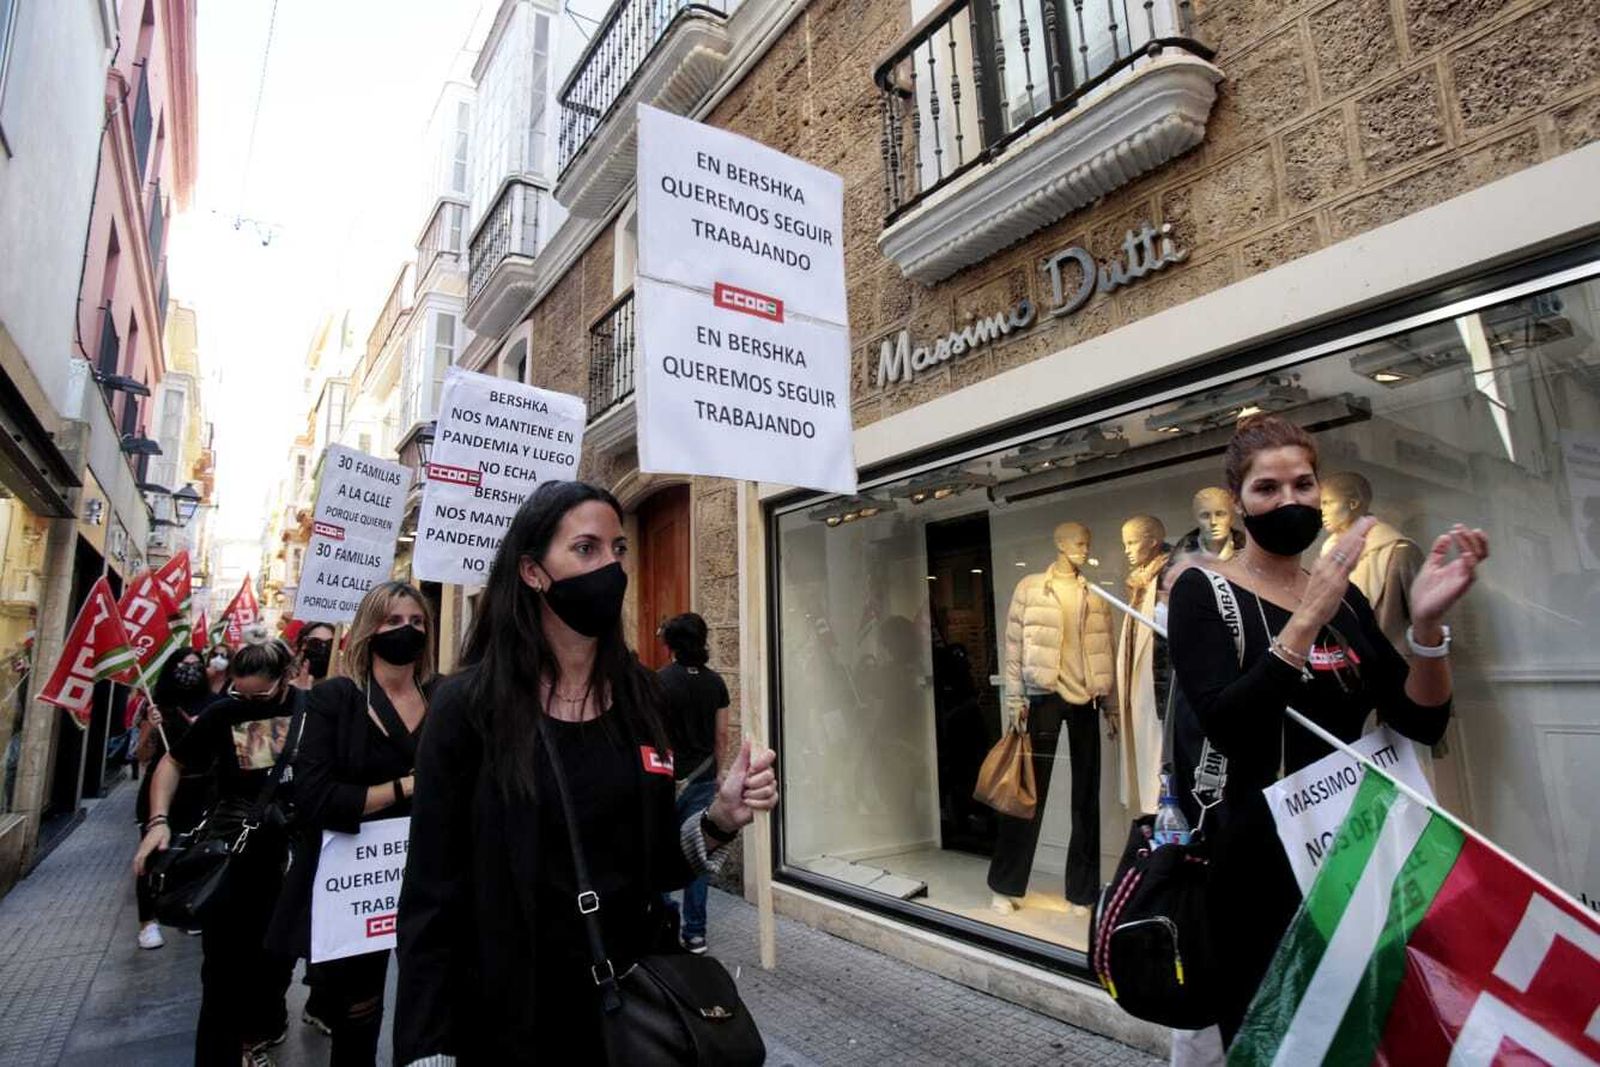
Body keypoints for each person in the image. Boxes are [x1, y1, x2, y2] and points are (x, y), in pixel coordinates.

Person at [395, 481, 778, 1064]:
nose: (611, 566)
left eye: (618, 548)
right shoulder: (467, 708)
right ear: (532, 572)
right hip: (508, 1021)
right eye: (586, 548)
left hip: (624, 1018)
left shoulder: (643, 700)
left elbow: (652, 866)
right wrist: (428, 1049)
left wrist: (720, 819)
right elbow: (431, 896)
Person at [1166, 414, 1487, 1045]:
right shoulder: (1204, 592)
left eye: (1303, 485)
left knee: (1362, 1036)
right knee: (1279, 1041)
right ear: (1238, 503)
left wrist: (1425, 631)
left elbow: (1420, 719)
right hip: (1256, 871)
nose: (1290, 501)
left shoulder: (1344, 597)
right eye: (1267, 489)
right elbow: (1231, 724)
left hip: (1352, 857)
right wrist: (1305, 618)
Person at [269, 583, 437, 1065]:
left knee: (429, 1010)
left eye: (417, 622)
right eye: (393, 621)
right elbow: (316, 798)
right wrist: (408, 787)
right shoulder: (336, 700)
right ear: (369, 630)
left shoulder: (442, 695)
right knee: (358, 1019)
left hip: (425, 879)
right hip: (358, 886)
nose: (407, 631)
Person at [134, 626, 306, 1067]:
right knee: (223, 973)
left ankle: (258, 1034)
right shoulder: (221, 713)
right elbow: (172, 764)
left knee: (277, 961)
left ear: (285, 679)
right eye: (239, 696)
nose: (246, 706)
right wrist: (158, 821)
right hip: (235, 855)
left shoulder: (313, 712)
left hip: (292, 858)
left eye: (259, 699)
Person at [655, 612, 730, 955]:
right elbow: (722, 734)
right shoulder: (715, 683)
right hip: (702, 778)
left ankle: (661, 920)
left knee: (659, 848)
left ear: (670, 644)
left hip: (664, 779)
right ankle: (695, 933)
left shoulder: (659, 682)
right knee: (697, 853)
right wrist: (718, 772)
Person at [133, 647, 217, 949]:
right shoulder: (158, 706)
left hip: (200, 789)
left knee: (197, 851)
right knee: (154, 855)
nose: (190, 670)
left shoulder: (214, 705)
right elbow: (142, 755)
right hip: (161, 791)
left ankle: (191, 905)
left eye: (197, 665)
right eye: (184, 664)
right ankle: (147, 921)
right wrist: (150, 728)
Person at [291, 621, 338, 689]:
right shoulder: (285, 684)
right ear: (302, 644)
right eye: (315, 642)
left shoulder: (340, 688)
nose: (323, 648)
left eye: (330, 644)